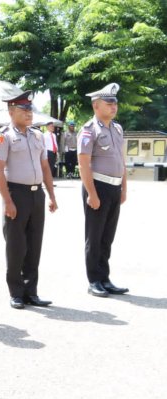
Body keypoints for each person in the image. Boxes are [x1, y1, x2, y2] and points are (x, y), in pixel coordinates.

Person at [0, 90, 57, 309]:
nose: (29, 113)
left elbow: (45, 167)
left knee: (34, 243)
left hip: (36, 193)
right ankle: (16, 292)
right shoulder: (4, 136)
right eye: (24, 109)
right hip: (16, 194)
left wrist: (51, 195)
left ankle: (31, 291)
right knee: (16, 245)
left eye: (30, 109)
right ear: (11, 111)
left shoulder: (37, 135)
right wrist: (7, 201)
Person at [78, 83, 129, 297]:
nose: (113, 106)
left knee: (107, 237)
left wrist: (124, 187)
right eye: (109, 103)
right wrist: (91, 193)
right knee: (95, 236)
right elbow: (83, 164)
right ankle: (94, 281)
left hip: (114, 187)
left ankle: (105, 278)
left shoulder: (117, 129)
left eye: (115, 103)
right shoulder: (89, 130)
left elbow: (121, 161)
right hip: (98, 186)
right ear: (96, 105)